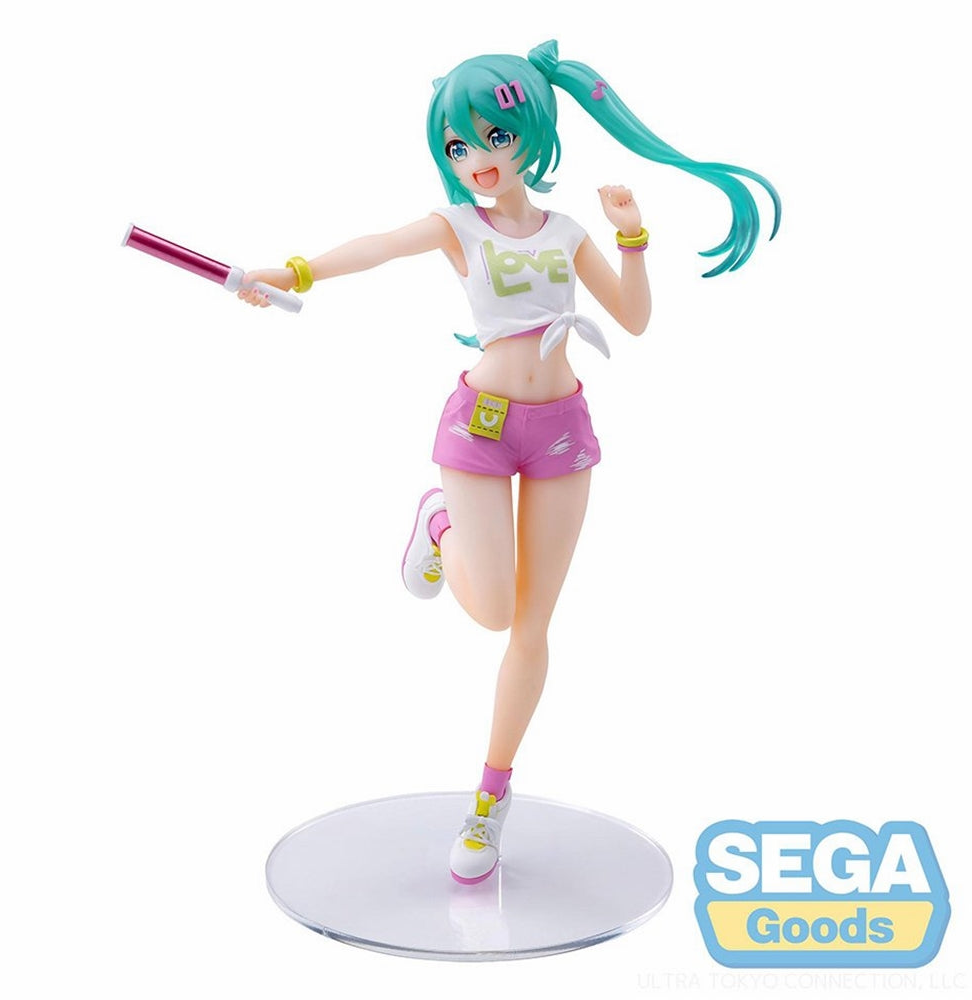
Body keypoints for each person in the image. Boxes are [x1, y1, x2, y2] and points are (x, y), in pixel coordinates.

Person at [238, 39, 780, 884]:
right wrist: (295, 269)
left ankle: (489, 802)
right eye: (458, 145)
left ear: (532, 132)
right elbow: (378, 246)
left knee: (531, 628)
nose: (478, 159)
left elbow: (634, 318)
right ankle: (441, 526)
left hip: (561, 432)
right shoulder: (455, 226)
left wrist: (632, 237)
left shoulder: (566, 233)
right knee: (491, 610)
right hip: (482, 428)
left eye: (493, 137)